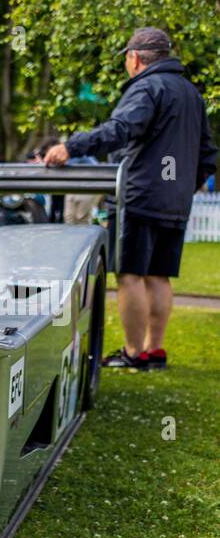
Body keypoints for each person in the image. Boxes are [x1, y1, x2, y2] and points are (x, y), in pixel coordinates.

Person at [47, 27, 217, 371]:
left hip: (139, 196)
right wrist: (185, 186)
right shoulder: (190, 94)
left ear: (134, 58)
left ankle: (133, 352)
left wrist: (72, 146)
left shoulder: (147, 88)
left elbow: (120, 129)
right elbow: (208, 155)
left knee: (130, 275)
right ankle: (155, 351)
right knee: (159, 276)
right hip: (175, 202)